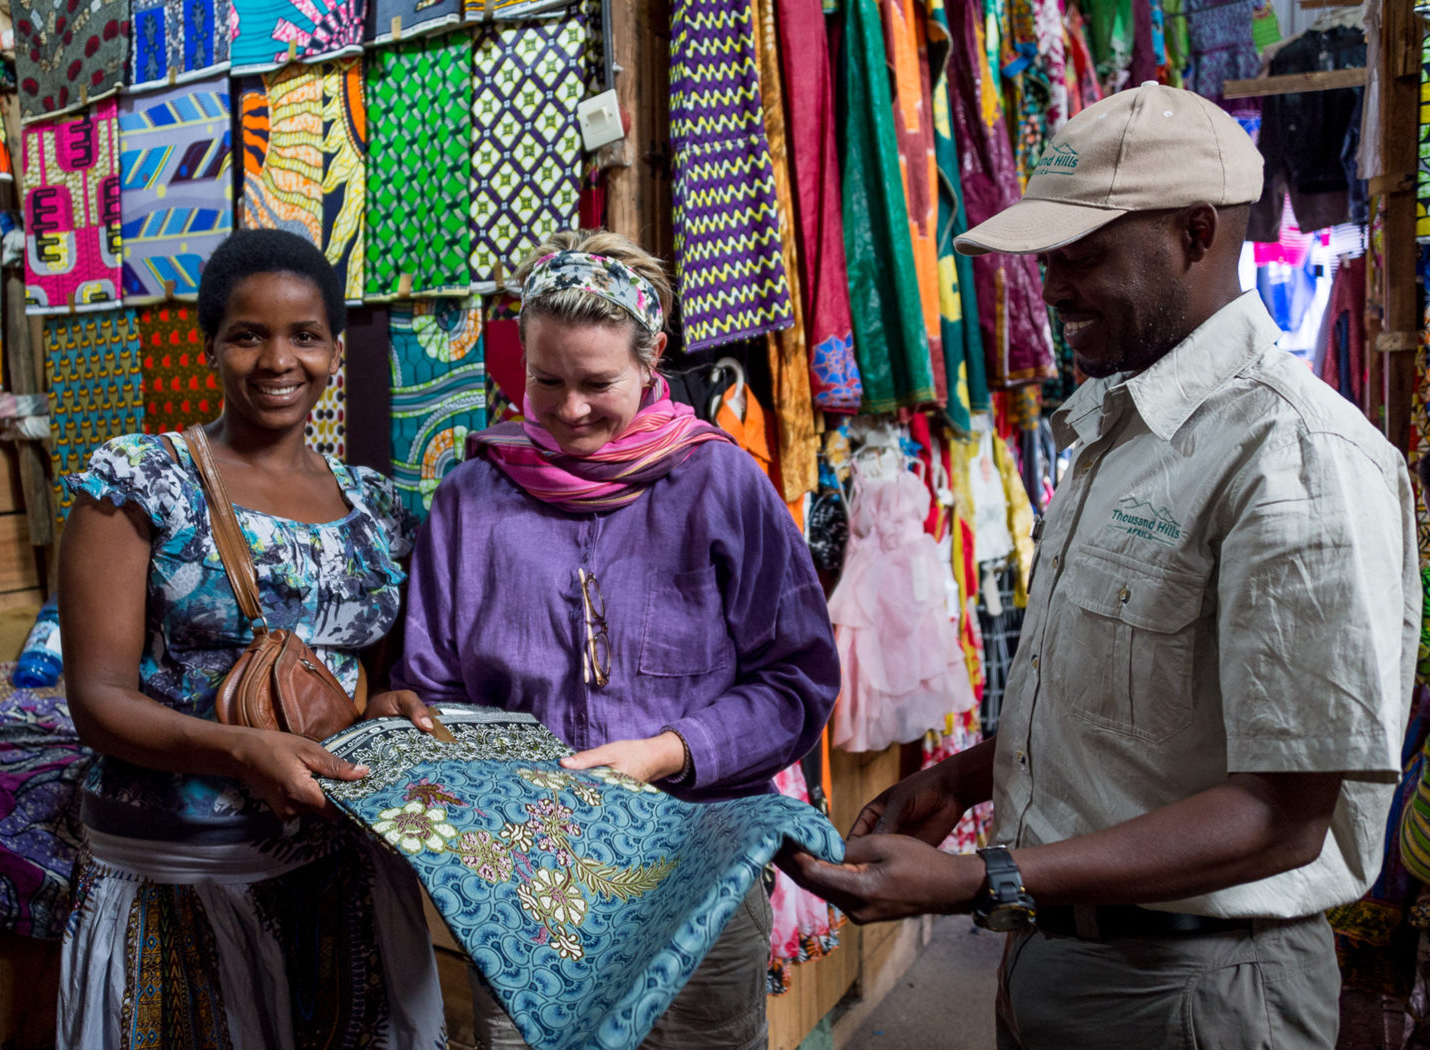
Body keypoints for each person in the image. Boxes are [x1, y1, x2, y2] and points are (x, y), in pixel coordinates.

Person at [784, 82, 1419, 1049]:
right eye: (1049, 259)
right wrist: (970, 776)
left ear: (1195, 234)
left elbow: (1285, 815)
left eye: (1082, 256)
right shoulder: (1123, 435)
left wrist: (983, 877)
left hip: (1200, 991)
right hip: (1070, 961)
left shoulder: (1295, 460)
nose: (1053, 288)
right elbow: (1148, 705)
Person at [377, 229, 840, 1050]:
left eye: (598, 383)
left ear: (654, 355)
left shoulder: (720, 482)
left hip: (698, 856)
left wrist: (665, 752)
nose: (568, 409)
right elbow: (433, 685)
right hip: (525, 878)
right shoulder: (472, 497)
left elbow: (796, 679)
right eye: (544, 379)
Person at [57, 228, 442, 1049]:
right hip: (187, 871)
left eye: (304, 335)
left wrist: (385, 703)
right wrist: (239, 752)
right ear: (210, 347)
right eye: (247, 335)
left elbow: (356, 674)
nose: (277, 361)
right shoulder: (139, 481)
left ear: (335, 351)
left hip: (340, 864)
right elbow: (97, 702)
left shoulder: (377, 505)